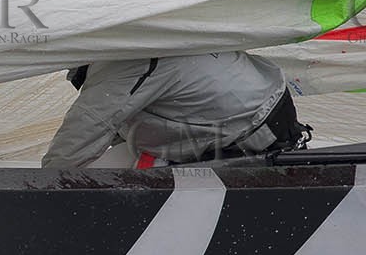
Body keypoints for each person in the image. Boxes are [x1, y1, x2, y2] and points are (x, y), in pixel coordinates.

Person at [43, 51, 311, 169]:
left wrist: (40, 193)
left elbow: (84, 131)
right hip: (268, 118)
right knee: (122, 149)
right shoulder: (153, 40)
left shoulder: (120, 69)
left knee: (106, 173)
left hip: (250, 139)